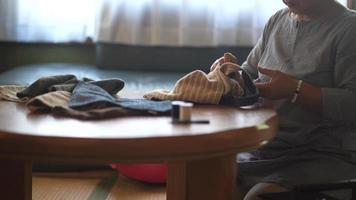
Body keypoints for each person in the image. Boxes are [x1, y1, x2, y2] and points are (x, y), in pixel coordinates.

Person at [222, 0, 356, 199]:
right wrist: (231, 73)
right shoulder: (278, 19)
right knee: (205, 179)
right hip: (264, 145)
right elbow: (248, 74)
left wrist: (295, 90)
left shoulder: (349, 28)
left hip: (322, 154)